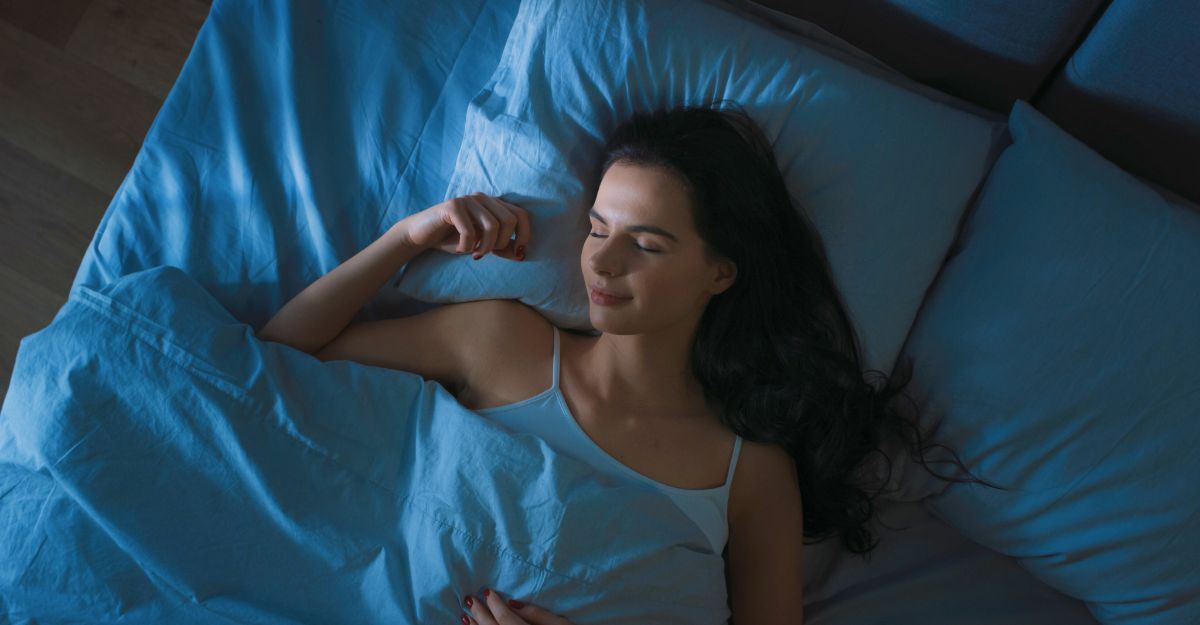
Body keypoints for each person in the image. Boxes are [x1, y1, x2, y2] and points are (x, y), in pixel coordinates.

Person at [257, 102, 999, 625]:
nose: (602, 262)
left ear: (721, 272)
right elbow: (273, 362)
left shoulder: (751, 473)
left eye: (646, 244)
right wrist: (406, 237)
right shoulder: (500, 341)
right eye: (597, 228)